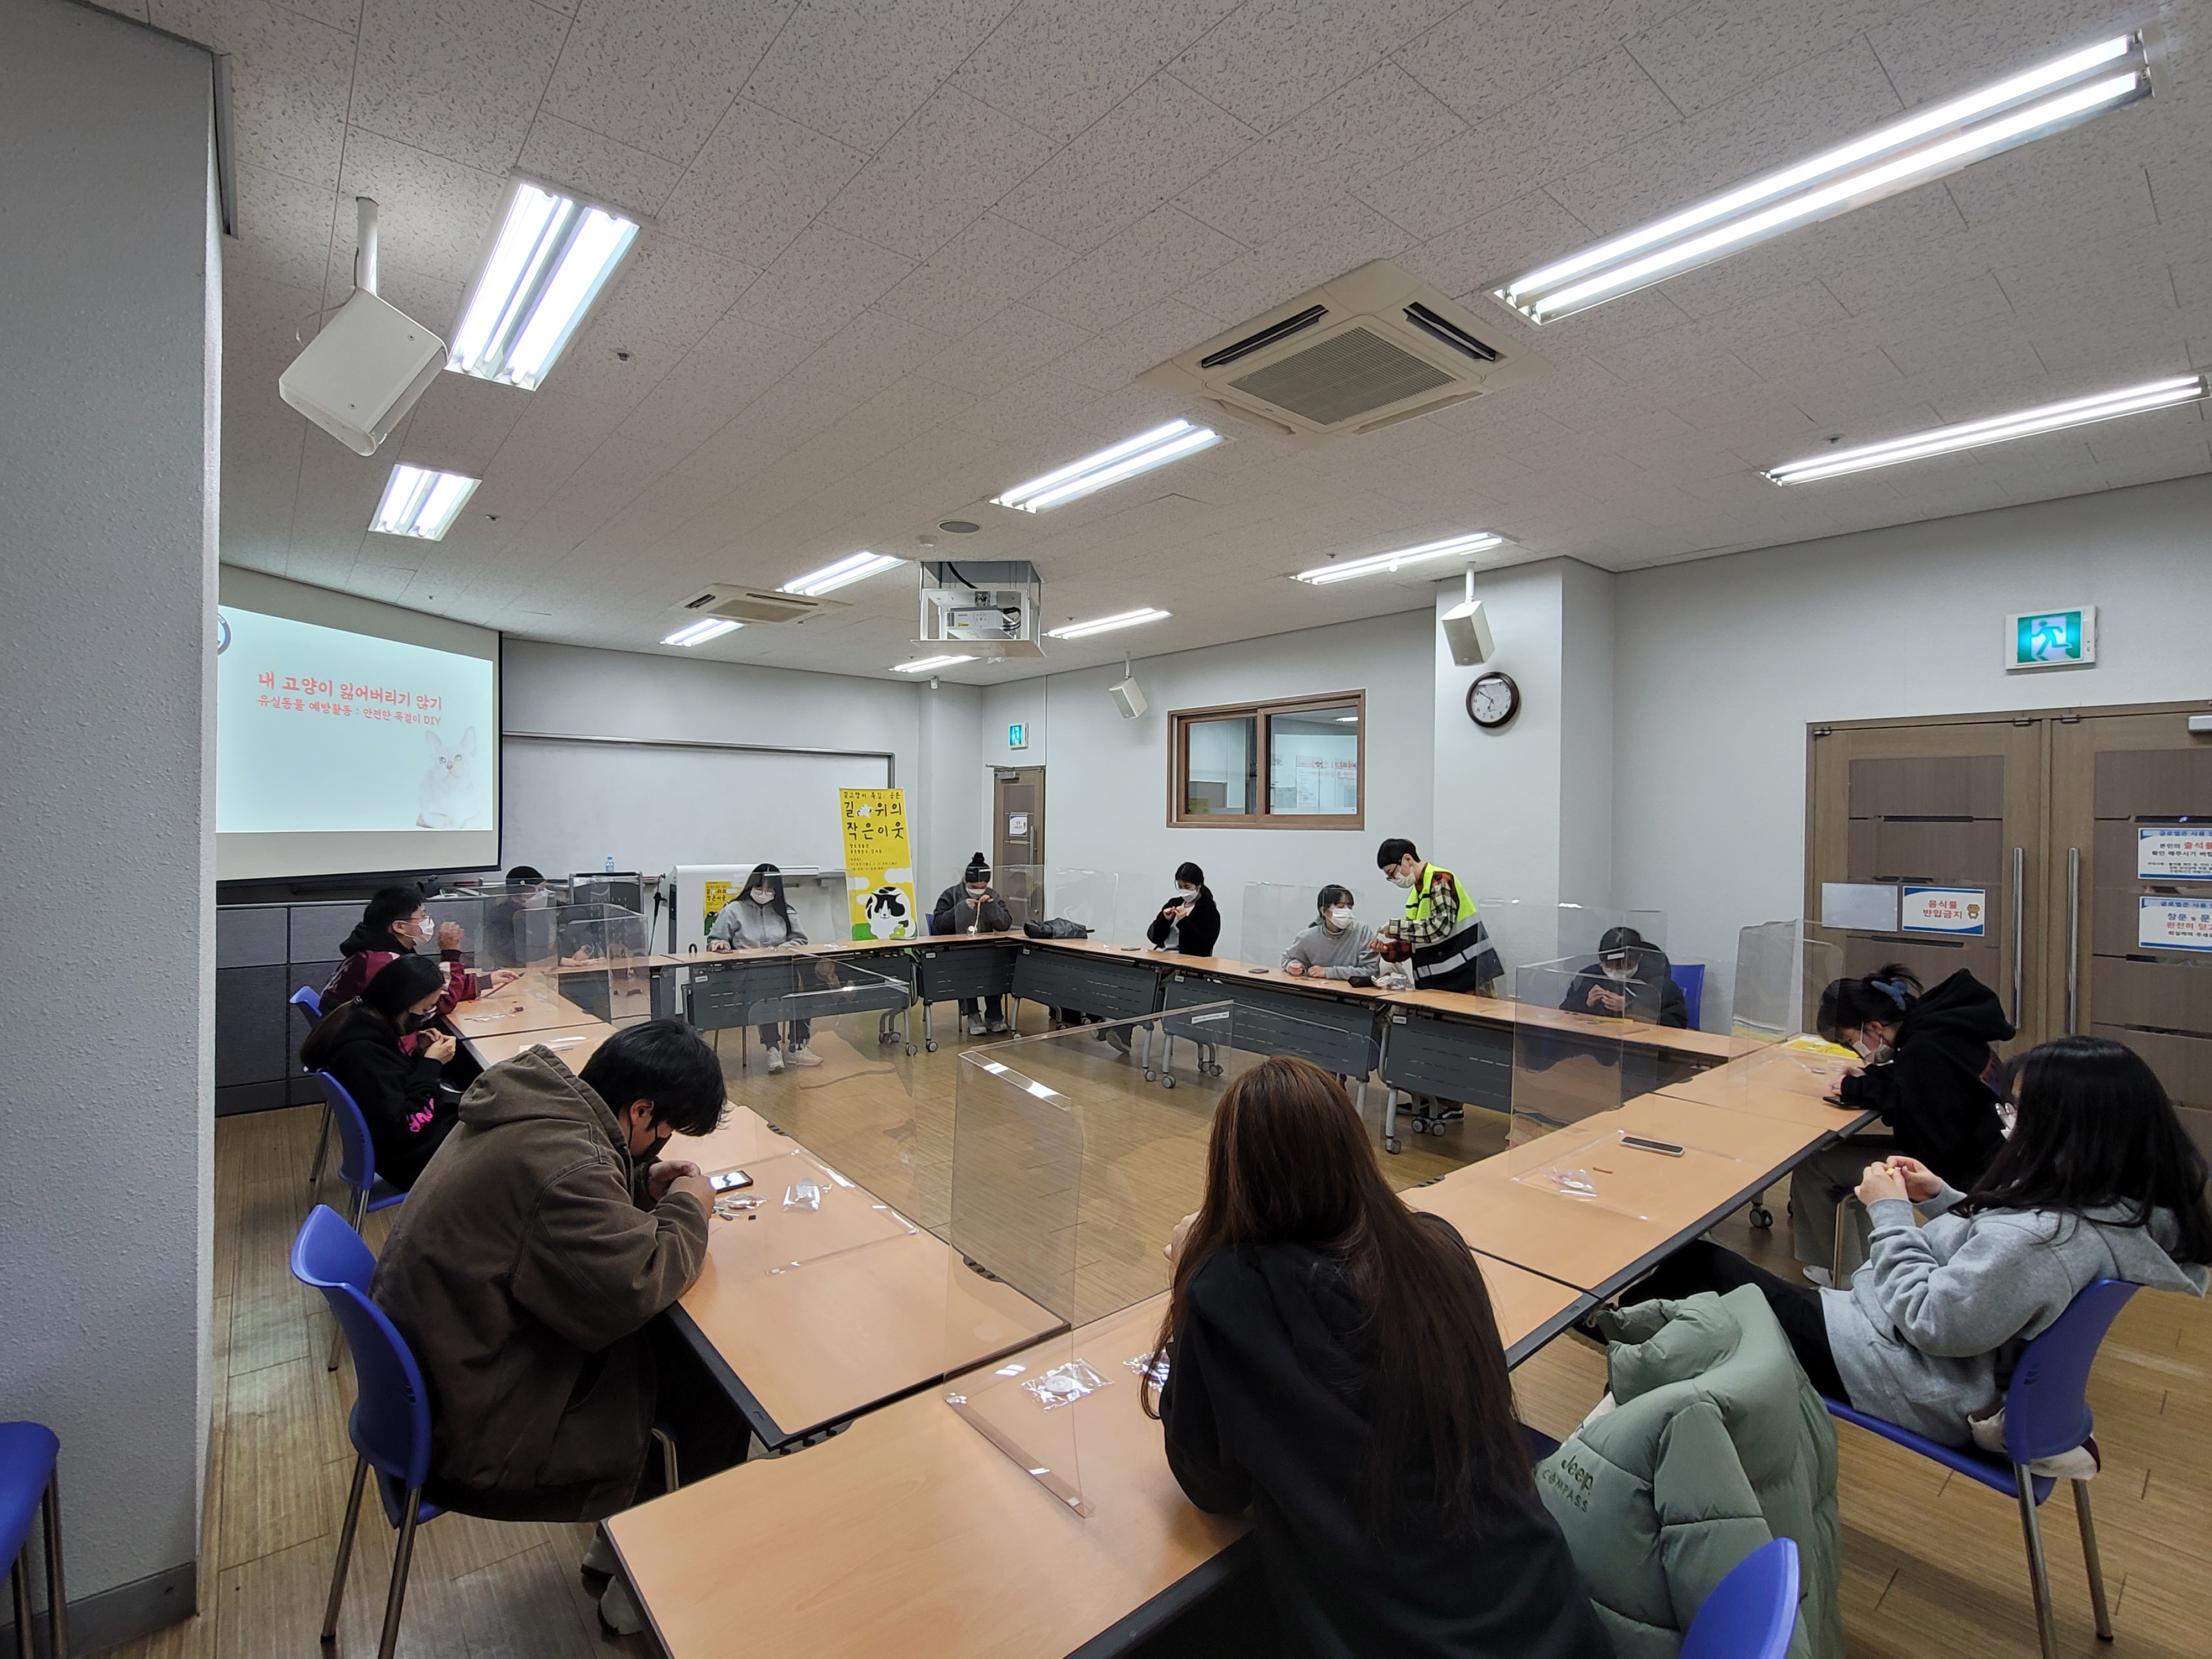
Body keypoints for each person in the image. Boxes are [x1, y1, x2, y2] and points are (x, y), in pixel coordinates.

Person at [1143, 1057, 1614, 1659]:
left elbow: (1210, 1483)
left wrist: (1190, 1278)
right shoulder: (1439, 1250)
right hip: (1551, 1613)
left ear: (1233, 1176)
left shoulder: (1228, 1296)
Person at [1624, 1037, 2211, 1452]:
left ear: (2068, 1132)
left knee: (1690, 1272)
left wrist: (1890, 1213)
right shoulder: (2105, 1210)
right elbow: (1993, 1266)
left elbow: (1932, 1320)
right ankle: (1636, 1400)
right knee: (1696, 1278)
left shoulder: (2043, 1240)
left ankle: (1625, 1426)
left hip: (1897, 1372)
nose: (2006, 1121)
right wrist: (1942, 1199)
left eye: (2017, 1111)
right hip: (1908, 1352)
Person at [371, 1019, 724, 1634]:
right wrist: (689, 1208)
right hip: (478, 1426)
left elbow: (547, 1219)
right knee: (710, 1393)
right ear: (641, 1110)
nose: (661, 1143)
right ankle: (650, 1573)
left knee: (669, 1359)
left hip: (439, 1377)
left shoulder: (531, 1110)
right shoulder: (566, 1163)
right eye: (664, 1130)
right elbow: (637, 1282)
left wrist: (634, 1183)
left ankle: (622, 1540)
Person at [1790, 962, 2012, 1280]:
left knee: (1815, 1164)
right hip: (1990, 1156)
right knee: (1838, 1154)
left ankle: (1838, 1271)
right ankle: (1855, 1257)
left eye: (1851, 1040)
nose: (1856, 1050)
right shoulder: (1939, 1029)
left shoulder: (1923, 1049)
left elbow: (1922, 1129)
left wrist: (1861, 1089)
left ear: (1875, 1028)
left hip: (1960, 1169)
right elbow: (1920, 1086)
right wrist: (1865, 1082)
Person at [299, 954, 461, 1191]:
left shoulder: (360, 1020)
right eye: (426, 1009)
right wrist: (431, 1064)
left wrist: (419, 1055)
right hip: (409, 1161)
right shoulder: (363, 1053)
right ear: (404, 1004)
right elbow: (405, 1124)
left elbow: (393, 1085)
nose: (426, 1017)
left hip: (399, 1144)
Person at [321, 884, 519, 1030]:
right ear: (400, 927)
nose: (428, 921)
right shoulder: (383, 963)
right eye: (422, 916)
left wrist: (484, 982)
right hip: (367, 1045)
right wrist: (450, 954)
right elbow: (437, 1003)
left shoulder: (377, 947)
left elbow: (427, 989)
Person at [706, 863, 821, 1072]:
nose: (764, 893)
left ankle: (797, 1046)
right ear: (751, 886)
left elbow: (800, 940)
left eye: (770, 889)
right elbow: (715, 939)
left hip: (781, 969)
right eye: (760, 888)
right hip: (746, 975)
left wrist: (779, 950)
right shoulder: (734, 910)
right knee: (765, 988)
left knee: (805, 986)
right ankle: (772, 1048)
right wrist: (719, 945)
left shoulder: (785, 911)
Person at [1371, 839, 1501, 995]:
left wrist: (1396, 928)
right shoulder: (1415, 896)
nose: (1394, 879)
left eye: (1393, 873)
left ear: (1407, 859)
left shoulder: (1440, 881)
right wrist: (1388, 949)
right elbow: (1416, 943)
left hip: (1469, 976)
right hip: (1442, 982)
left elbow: (1440, 928)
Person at [931, 853, 1012, 1033]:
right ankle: (972, 1014)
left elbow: (1005, 924)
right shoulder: (951, 894)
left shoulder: (993, 895)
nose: (978, 890)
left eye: (982, 887)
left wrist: (992, 907)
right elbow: (938, 924)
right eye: (974, 887)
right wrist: (959, 909)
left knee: (997, 966)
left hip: (987, 949)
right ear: (966, 881)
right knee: (966, 969)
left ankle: (994, 1015)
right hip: (959, 951)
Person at [1557, 927, 1687, 1028]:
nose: (1615, 971)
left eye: (1623, 965)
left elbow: (1676, 1024)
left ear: (1639, 958)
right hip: (1598, 1043)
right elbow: (1565, 1011)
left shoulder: (1662, 986)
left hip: (1642, 1047)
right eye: (1608, 965)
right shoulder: (1590, 976)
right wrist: (1586, 1003)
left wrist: (1630, 1009)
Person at [1280, 885, 1379, 980]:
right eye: (1341, 906)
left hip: (1352, 989)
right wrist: (1293, 966)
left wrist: (1328, 972)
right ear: (1325, 911)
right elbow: (1287, 958)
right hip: (1318, 988)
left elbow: (1371, 971)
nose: (1347, 911)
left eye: (1350, 906)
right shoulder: (1308, 937)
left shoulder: (1362, 931)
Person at [1145, 862, 1222, 957]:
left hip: (1185, 959)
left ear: (1199, 885)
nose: (1183, 890)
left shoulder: (1209, 911)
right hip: (1161, 954)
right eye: (1180, 887)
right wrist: (1164, 919)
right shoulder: (1174, 903)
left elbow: (1203, 947)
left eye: (1187, 887)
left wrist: (1184, 922)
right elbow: (1153, 938)